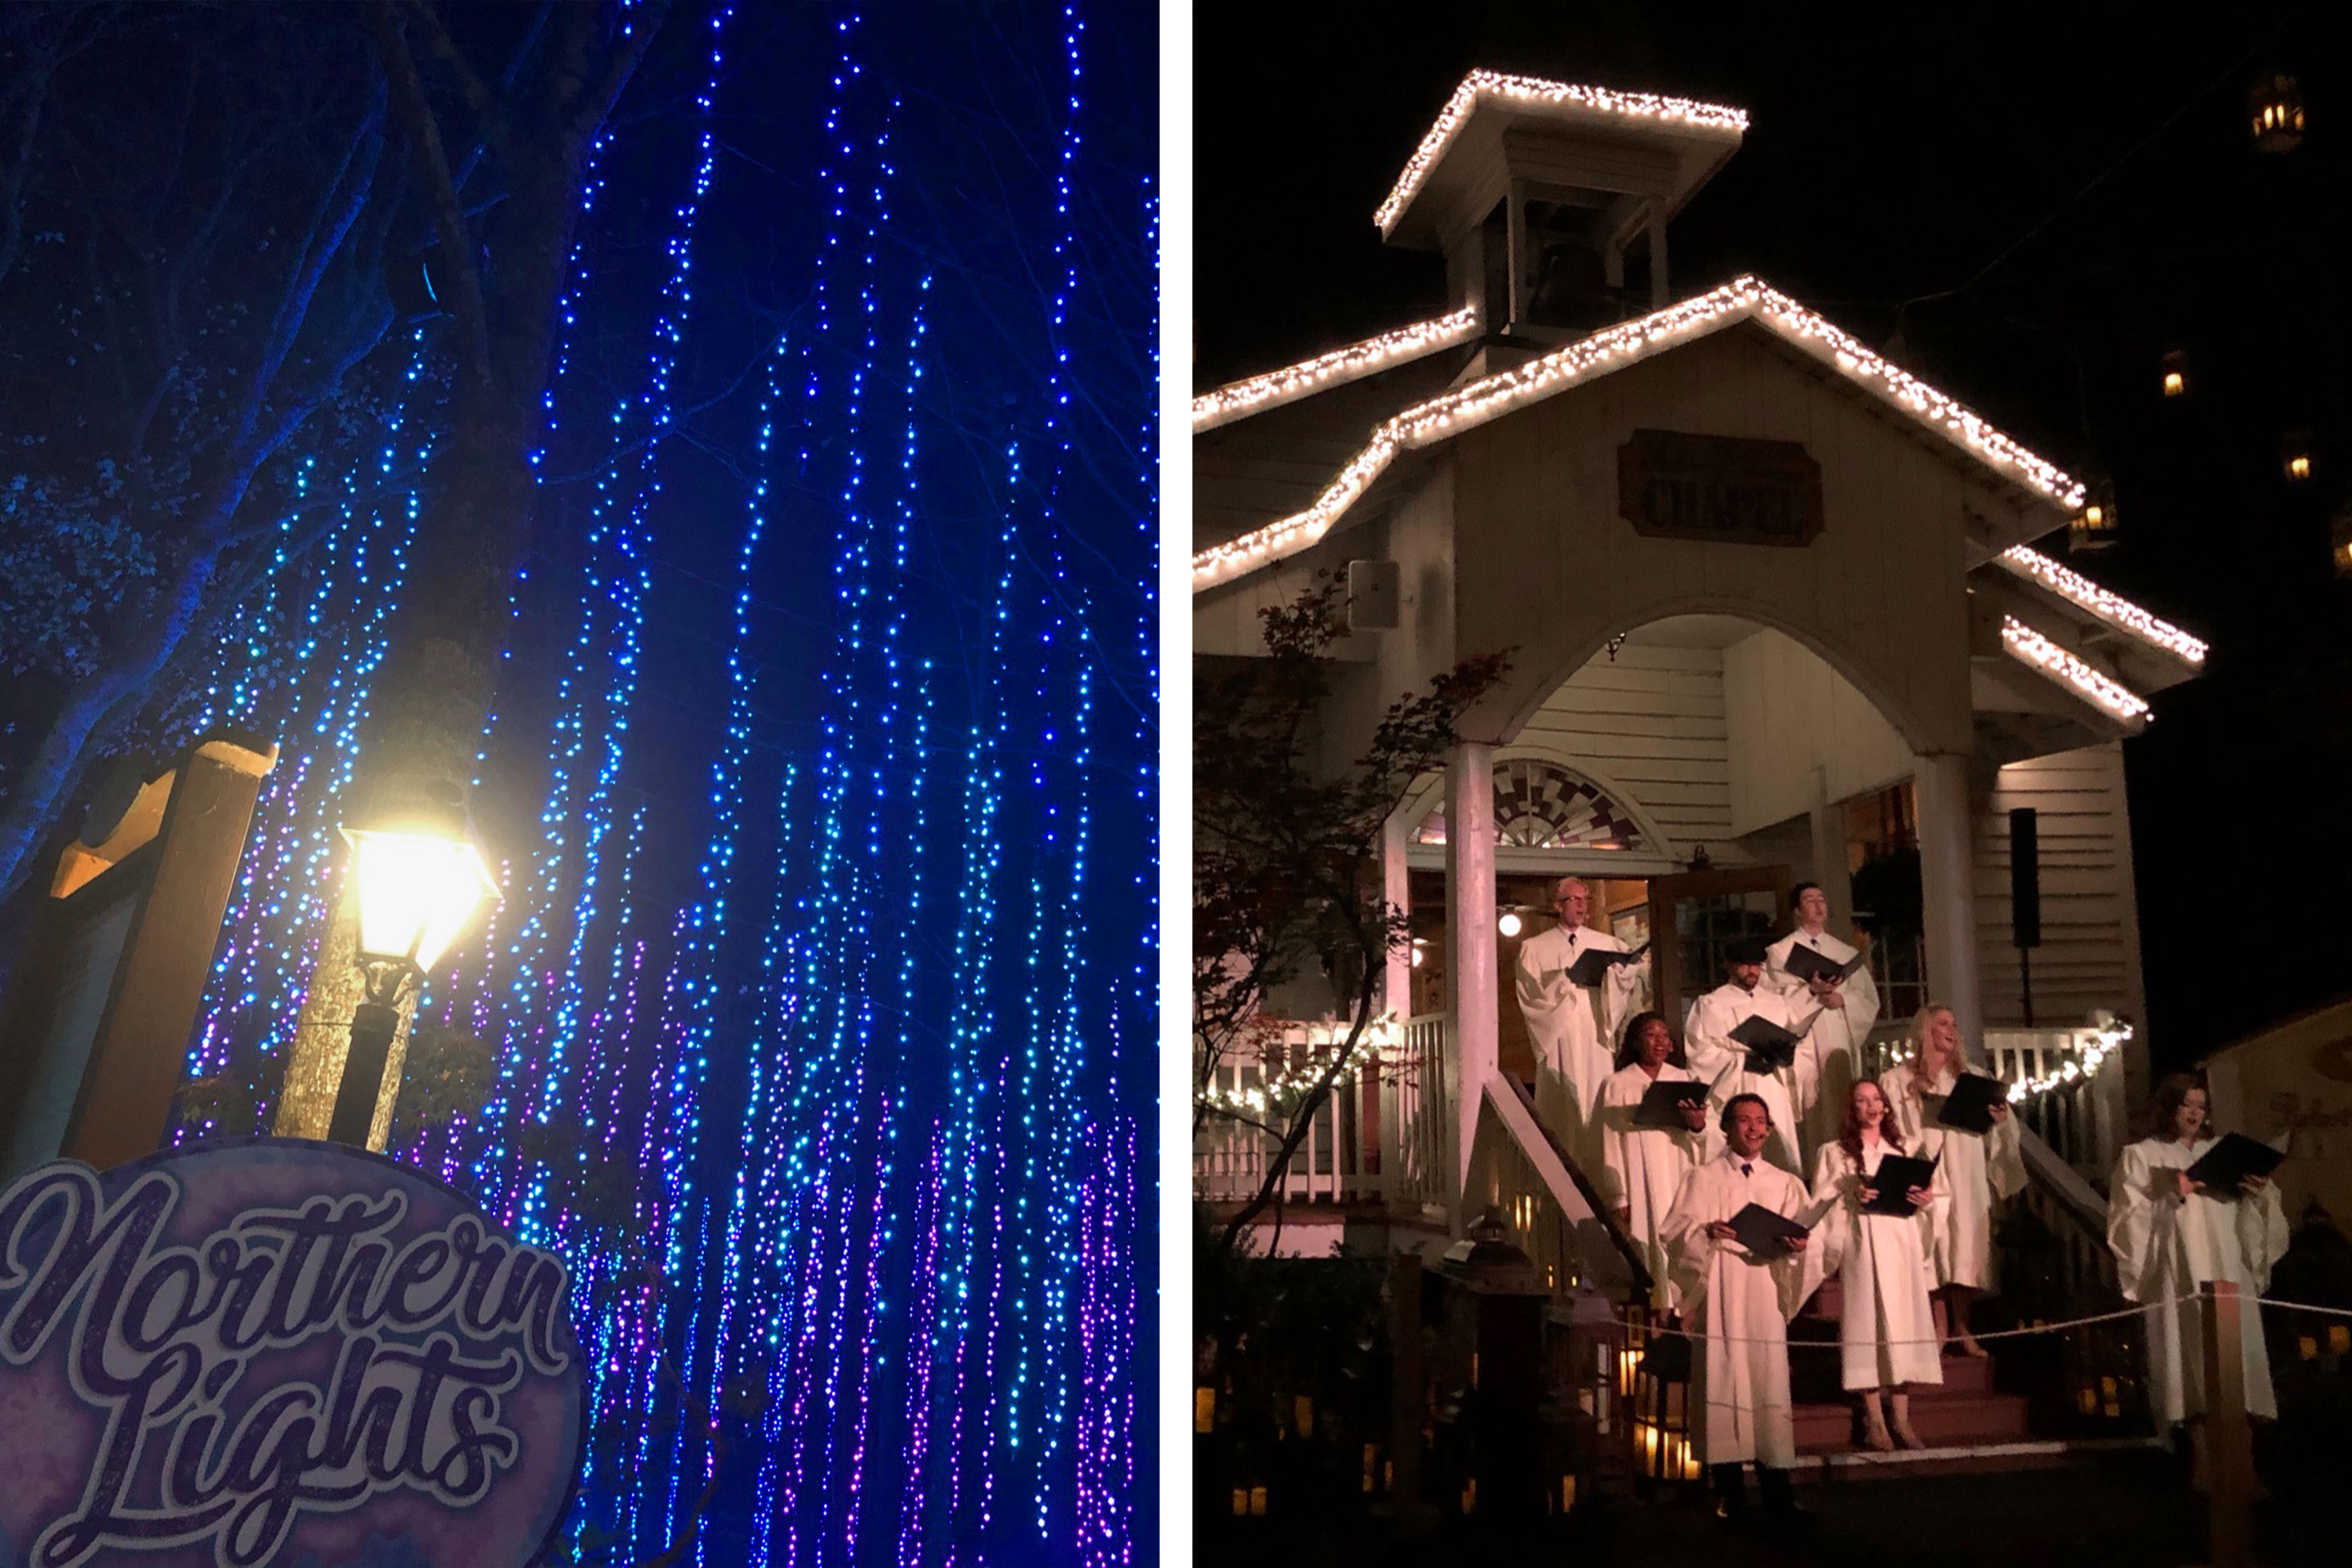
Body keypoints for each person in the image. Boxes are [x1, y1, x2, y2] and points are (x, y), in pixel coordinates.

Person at [2107, 1073, 2288, 1482]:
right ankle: (2204, 1464)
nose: (2195, 1113)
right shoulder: (2142, 1154)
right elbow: (2126, 1218)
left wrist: (2258, 1192)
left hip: (2226, 1267)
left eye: (2200, 1106)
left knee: (2237, 1362)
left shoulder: (2219, 1152)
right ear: (2170, 1107)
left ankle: (2245, 1467)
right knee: (2189, 1362)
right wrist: (2174, 1191)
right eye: (2187, 1104)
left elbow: (2251, 1219)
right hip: (2181, 1269)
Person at [1659, 1094, 1816, 1521]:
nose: (1753, 1129)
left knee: (1766, 1379)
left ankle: (1778, 1490)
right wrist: (1706, 1231)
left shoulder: (1784, 1182)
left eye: (1761, 1121)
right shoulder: (1704, 1177)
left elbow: (1804, 1238)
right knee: (1724, 1376)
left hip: (1764, 1284)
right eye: (1744, 1120)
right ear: (1727, 1127)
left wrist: (1797, 1246)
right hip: (1723, 1284)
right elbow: (1675, 1232)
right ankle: (1729, 1490)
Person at [1880, 1004, 2020, 1357]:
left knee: (1964, 1247)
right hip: (1928, 1166)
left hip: (1965, 1167)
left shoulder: (1971, 1076)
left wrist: (2000, 1119)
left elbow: (2000, 1132)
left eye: (1955, 1024)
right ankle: (1937, 1326)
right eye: (1943, 1023)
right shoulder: (1898, 1079)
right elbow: (1891, 1128)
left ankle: (1963, 1327)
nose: (1952, 1029)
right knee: (1933, 1245)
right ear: (1925, 1030)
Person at [1809, 1079, 1942, 1450]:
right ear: (1851, 1109)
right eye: (1861, 1100)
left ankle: (1901, 1416)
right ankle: (1874, 1417)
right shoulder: (1835, 1153)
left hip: (1901, 1244)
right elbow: (1820, 1201)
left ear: (1886, 1106)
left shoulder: (1909, 1149)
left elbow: (1937, 1201)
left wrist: (1926, 1199)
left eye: (1876, 1099)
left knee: (1904, 1325)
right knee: (1866, 1325)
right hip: (1862, 1243)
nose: (1870, 1105)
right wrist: (1849, 1191)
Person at [1514, 875, 1643, 1163]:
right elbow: (1530, 994)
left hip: (1595, 1027)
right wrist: (1564, 980)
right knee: (1563, 1103)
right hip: (1559, 1032)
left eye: (1586, 900)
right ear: (1558, 905)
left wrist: (1616, 974)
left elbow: (1626, 975)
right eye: (1575, 900)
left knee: (1596, 1092)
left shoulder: (1607, 943)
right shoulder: (1534, 948)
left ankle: (1602, 1169)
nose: (1582, 906)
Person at [1595, 1011, 1713, 1319]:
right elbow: (1608, 1139)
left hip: (1678, 1170)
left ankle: (1686, 1312)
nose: (1659, 1041)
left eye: (1664, 1035)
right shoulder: (1617, 1084)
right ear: (1636, 1041)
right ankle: (1657, 1316)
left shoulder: (1684, 1080)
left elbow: (1703, 1137)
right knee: (1648, 1249)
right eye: (1651, 1034)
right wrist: (1618, 1194)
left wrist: (1698, 1125)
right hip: (1639, 1177)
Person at [1766, 883, 1882, 1163]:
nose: (1818, 905)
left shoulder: (1844, 952)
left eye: (1821, 899)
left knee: (1841, 1097)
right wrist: (1810, 992)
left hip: (1838, 1033)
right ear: (1797, 910)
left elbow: (1868, 998)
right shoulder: (1781, 952)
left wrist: (1842, 1000)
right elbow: (1773, 999)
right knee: (1813, 1105)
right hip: (1807, 1038)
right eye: (1809, 900)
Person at [1684, 938, 1815, 1175]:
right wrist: (1742, 1061)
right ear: (1729, 966)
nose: (1751, 971)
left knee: (1779, 1160)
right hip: (1736, 1086)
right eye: (1744, 965)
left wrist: (1788, 1058)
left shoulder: (1778, 1002)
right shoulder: (1712, 1003)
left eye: (1756, 965)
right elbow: (1700, 1052)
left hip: (1773, 1086)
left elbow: (1800, 1043)